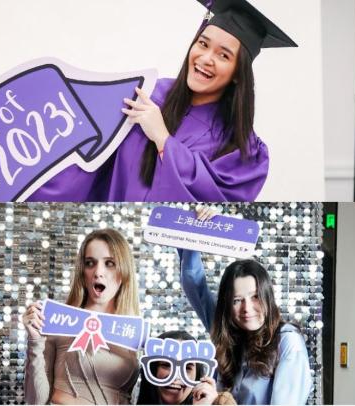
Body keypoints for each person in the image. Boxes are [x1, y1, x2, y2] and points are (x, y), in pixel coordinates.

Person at [29, 0, 296, 202]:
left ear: (239, 74)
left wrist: (163, 139)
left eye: (223, 55)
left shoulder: (242, 149)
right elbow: (90, 164)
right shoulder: (147, 95)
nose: (205, 58)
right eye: (203, 44)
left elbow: (214, 203)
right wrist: (26, 186)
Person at [179, 209, 313, 404]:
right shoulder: (229, 332)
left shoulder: (287, 341)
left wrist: (220, 401)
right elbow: (193, 284)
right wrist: (195, 228)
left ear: (268, 296)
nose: (247, 308)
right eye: (236, 300)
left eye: (255, 297)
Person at [22, 229, 141, 404]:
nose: (98, 272)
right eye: (90, 263)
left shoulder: (134, 330)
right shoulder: (58, 321)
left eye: (109, 263)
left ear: (123, 271)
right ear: (82, 272)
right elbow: (35, 401)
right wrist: (35, 342)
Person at [138, 330, 236, 405]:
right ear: (152, 369)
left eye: (187, 368)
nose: (176, 376)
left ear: (197, 375)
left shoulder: (221, 402)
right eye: (166, 365)